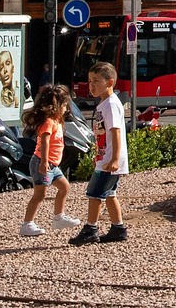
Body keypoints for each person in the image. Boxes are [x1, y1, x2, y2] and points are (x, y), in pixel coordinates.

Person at [69, 62, 129, 245]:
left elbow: (115, 132)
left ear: (109, 82)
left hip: (109, 160)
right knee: (109, 193)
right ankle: (118, 228)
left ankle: (91, 228)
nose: (91, 85)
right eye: (89, 81)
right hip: (105, 157)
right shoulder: (105, 104)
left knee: (94, 193)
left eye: (96, 81)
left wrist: (114, 159)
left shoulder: (111, 104)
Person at [20, 85, 76, 237]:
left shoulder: (56, 121)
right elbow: (44, 142)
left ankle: (59, 217)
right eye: (64, 105)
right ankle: (27, 224)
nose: (66, 109)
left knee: (64, 187)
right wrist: (44, 162)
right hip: (42, 162)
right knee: (40, 194)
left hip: (53, 165)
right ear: (57, 105)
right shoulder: (49, 122)